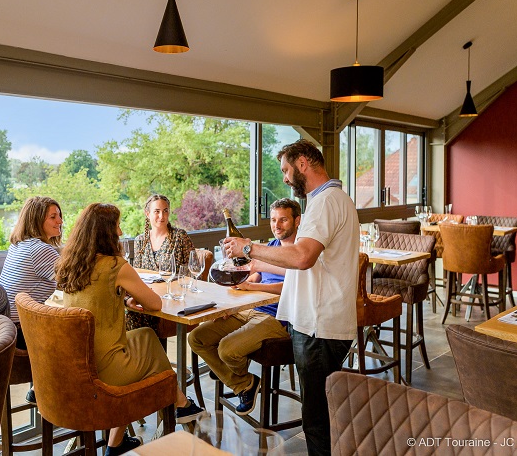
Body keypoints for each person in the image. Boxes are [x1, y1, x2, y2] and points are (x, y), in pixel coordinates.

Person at [223, 139, 359, 456]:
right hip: (319, 322)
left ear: (302, 163)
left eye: (285, 169)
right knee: (321, 412)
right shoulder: (331, 200)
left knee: (316, 420)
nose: (285, 178)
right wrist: (258, 262)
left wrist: (248, 248)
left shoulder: (325, 202)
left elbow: (302, 257)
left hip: (318, 325)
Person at [56, 203, 204, 456]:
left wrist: (123, 300)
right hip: (105, 367)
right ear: (105, 233)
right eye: (116, 226)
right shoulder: (115, 265)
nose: (120, 230)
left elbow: (93, 297)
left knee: (146, 337)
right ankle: (180, 404)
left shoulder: (72, 264)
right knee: (154, 358)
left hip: (78, 361)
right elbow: (155, 303)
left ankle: (118, 443)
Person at [188, 198, 300, 416]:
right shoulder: (272, 247)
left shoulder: (300, 252)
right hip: (249, 309)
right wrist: (239, 292)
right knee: (197, 338)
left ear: (297, 221)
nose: (276, 225)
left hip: (278, 317)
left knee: (227, 350)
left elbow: (292, 286)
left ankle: (233, 374)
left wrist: (250, 286)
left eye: (283, 220)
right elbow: (258, 275)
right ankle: (245, 384)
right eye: (274, 220)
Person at [0, 196, 63, 404]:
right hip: (21, 337)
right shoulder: (41, 250)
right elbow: (75, 283)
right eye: (53, 217)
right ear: (36, 221)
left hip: (3, 331)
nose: (60, 221)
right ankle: (68, 398)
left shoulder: (19, 245)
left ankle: (41, 387)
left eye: (59, 215)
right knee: (86, 334)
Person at [127, 194, 195, 334]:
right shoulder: (140, 240)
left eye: (165, 211)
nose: (161, 216)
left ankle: (148, 352)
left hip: (173, 297)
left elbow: (191, 269)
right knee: (129, 314)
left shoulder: (179, 236)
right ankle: (143, 352)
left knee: (137, 318)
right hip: (148, 295)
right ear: (147, 214)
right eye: (156, 211)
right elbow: (138, 274)